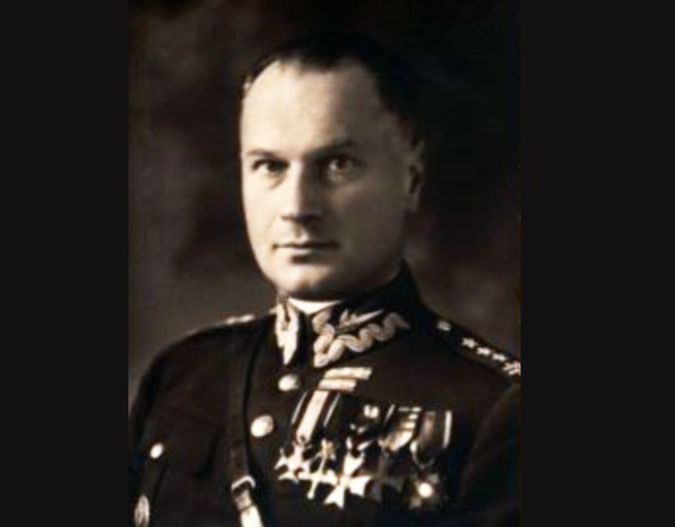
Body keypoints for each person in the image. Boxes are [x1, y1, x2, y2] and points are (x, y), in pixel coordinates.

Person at [129, 33, 520, 527]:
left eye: (337, 164)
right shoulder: (182, 373)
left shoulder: (494, 408)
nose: (297, 207)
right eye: (269, 166)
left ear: (411, 179)